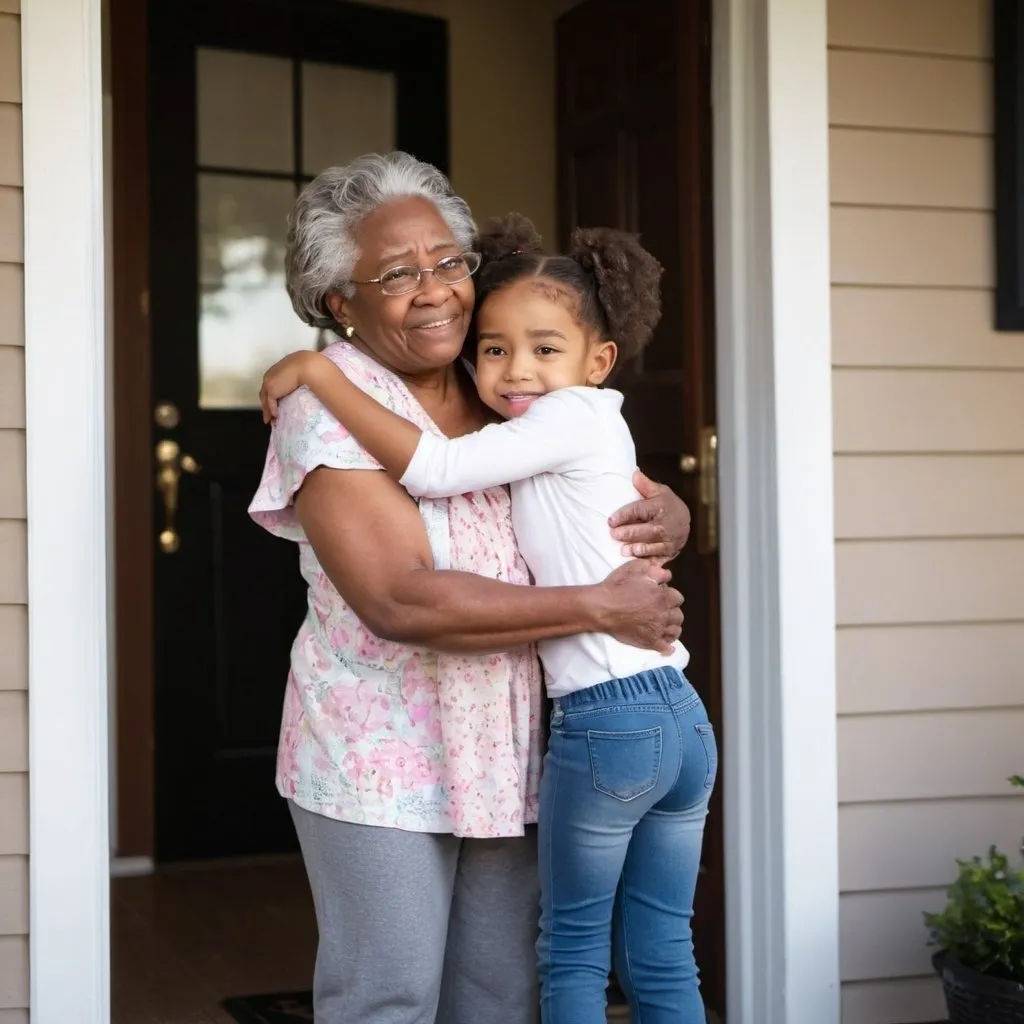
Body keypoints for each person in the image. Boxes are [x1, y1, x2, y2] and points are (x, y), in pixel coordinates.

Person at [248, 153, 693, 1024]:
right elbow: (402, 599)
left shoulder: (503, 381)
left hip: (516, 746)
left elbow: (599, 476)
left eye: (449, 261)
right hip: (378, 757)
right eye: (399, 274)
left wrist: (666, 510)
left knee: (501, 999)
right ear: (341, 302)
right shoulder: (327, 408)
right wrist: (601, 605)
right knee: (391, 999)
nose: (438, 289)